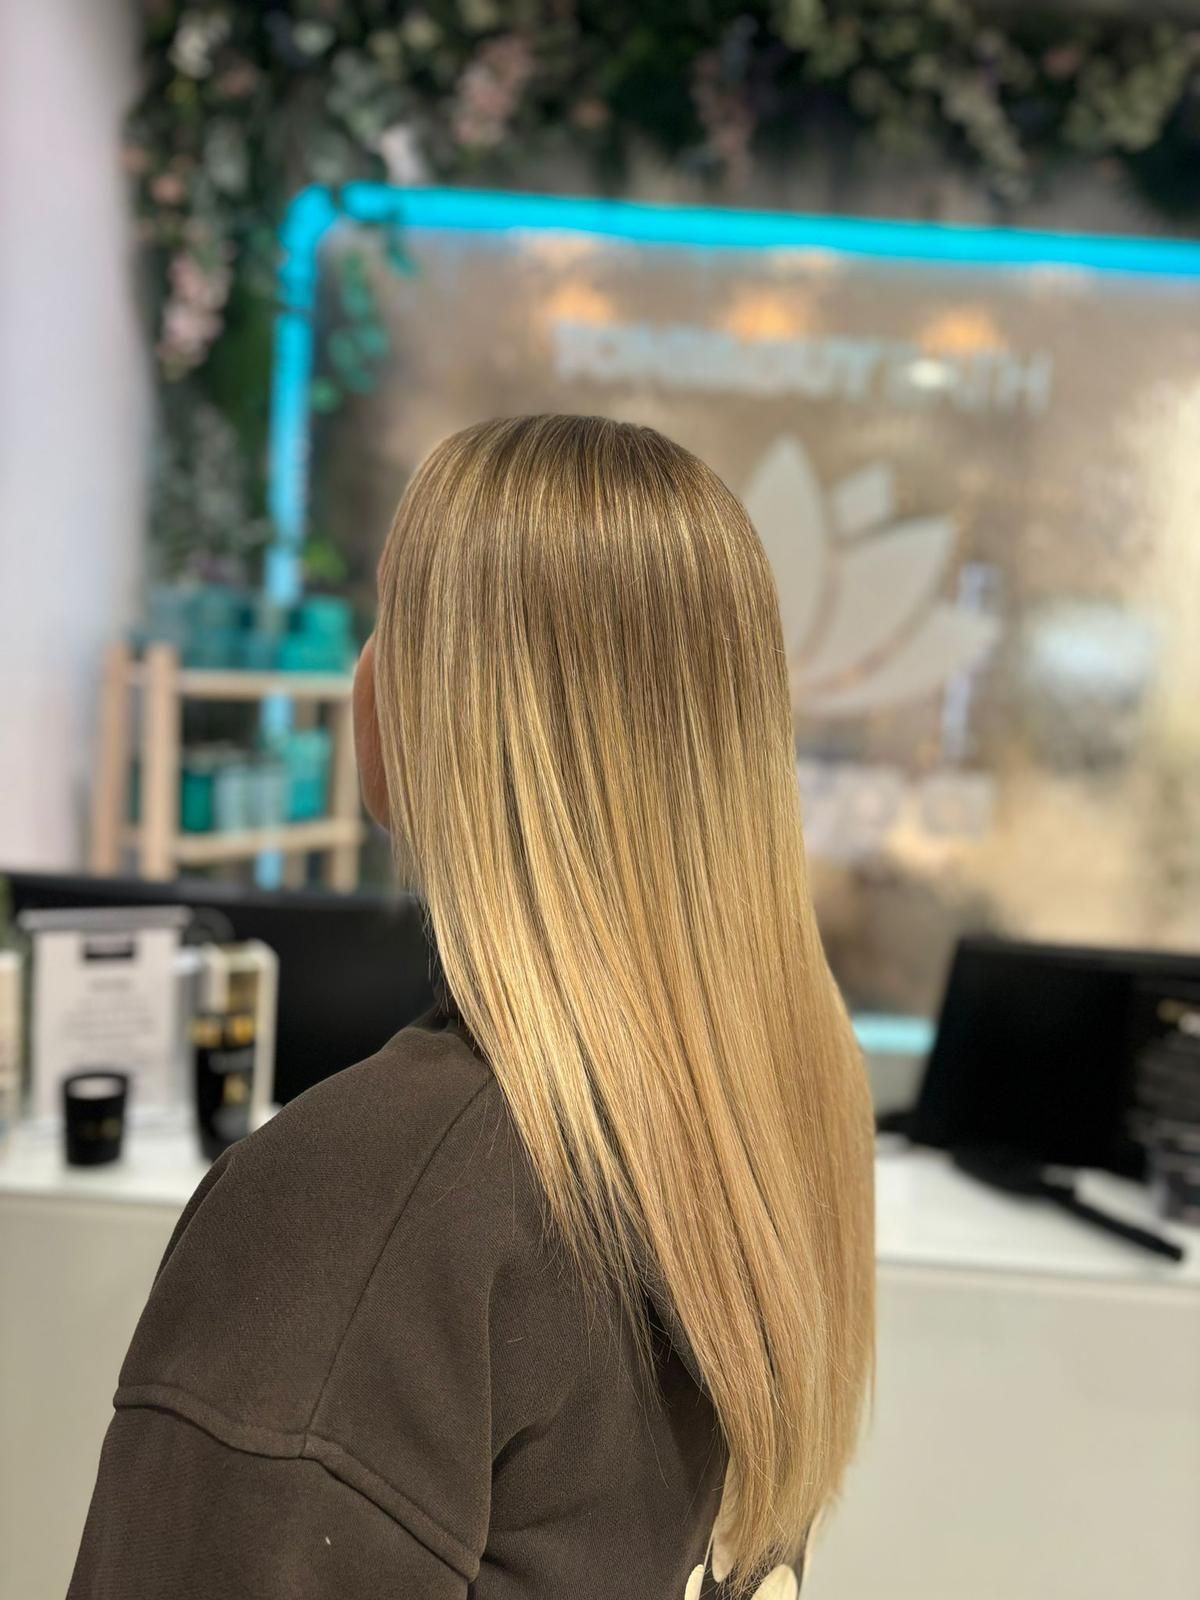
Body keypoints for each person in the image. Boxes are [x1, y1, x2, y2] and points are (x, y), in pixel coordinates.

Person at [68, 415, 874, 1599]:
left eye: (392, 618)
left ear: (447, 710)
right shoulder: (782, 1114)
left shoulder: (364, 1198)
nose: (365, 664)